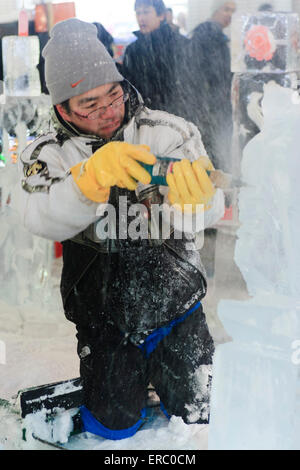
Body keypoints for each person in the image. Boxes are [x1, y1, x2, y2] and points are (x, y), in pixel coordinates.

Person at [17, 18, 225, 439]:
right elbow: (37, 216)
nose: (108, 110)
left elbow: (206, 214)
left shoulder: (168, 131)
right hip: (102, 317)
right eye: (89, 105)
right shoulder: (46, 151)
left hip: (177, 307)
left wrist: (199, 203)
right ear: (62, 108)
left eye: (112, 94)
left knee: (202, 416)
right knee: (113, 429)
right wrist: (86, 181)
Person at [189, 1, 236, 173]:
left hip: (216, 109)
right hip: (210, 111)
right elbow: (200, 75)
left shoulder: (218, 36)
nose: (230, 14)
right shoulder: (207, 35)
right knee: (213, 161)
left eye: (233, 11)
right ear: (215, 10)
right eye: (226, 9)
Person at [121, 0, 190, 118]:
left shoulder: (180, 44)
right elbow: (129, 87)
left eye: (146, 12)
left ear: (161, 15)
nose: (141, 18)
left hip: (178, 116)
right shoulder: (132, 50)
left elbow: (189, 84)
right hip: (144, 118)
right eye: (138, 13)